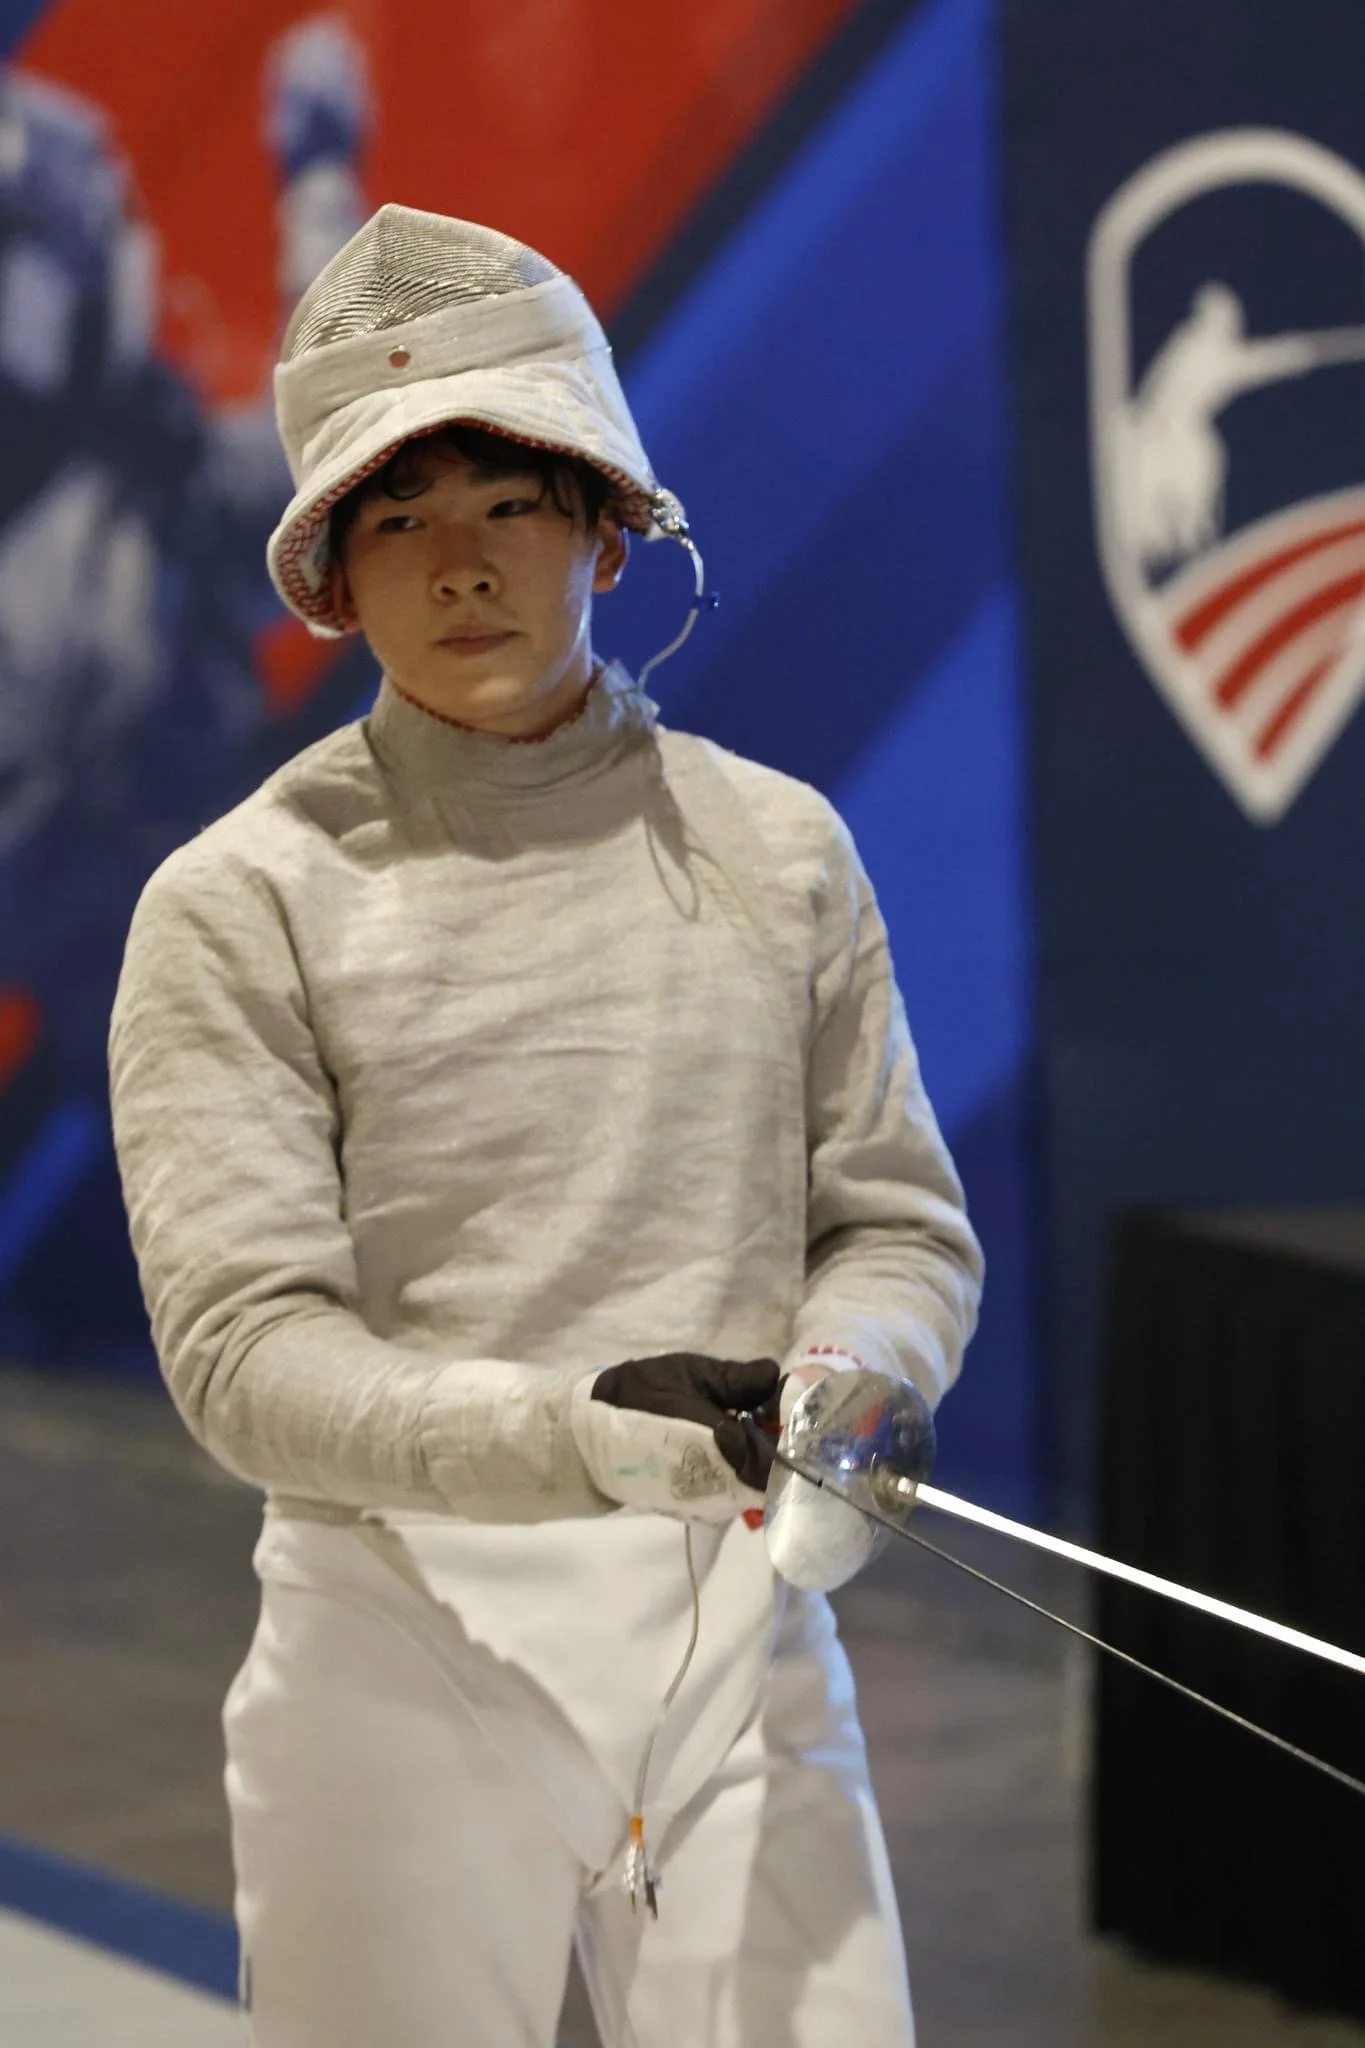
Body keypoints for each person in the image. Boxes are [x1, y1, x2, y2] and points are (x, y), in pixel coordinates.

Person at [108, 203, 983, 2048]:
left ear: (601, 520)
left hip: (735, 1628)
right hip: (399, 1633)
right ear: (336, 578)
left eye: (506, 498)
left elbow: (899, 1226)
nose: (461, 563)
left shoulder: (777, 847)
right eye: (398, 516)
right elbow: (244, 1353)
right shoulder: (239, 898)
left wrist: (846, 1380)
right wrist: (575, 1437)